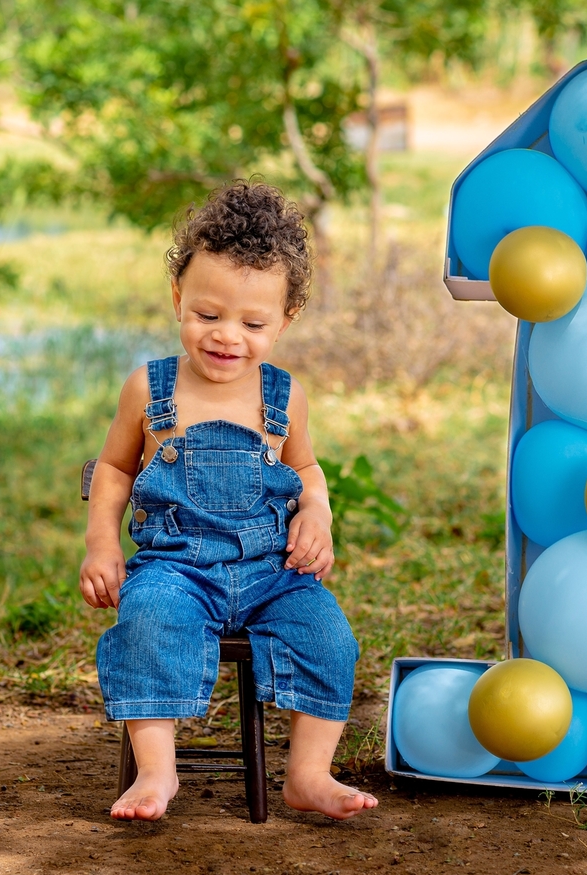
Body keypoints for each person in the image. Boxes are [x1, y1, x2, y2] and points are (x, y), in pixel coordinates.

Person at [80, 180, 378, 822]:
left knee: (330, 636)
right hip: (176, 570)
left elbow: (306, 469)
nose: (226, 336)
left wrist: (317, 511)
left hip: (273, 572)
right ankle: (156, 775)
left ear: (285, 321)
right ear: (178, 297)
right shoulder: (148, 388)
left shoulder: (285, 396)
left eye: (253, 323)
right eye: (207, 314)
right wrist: (102, 541)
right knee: (148, 620)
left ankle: (308, 775)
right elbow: (111, 468)